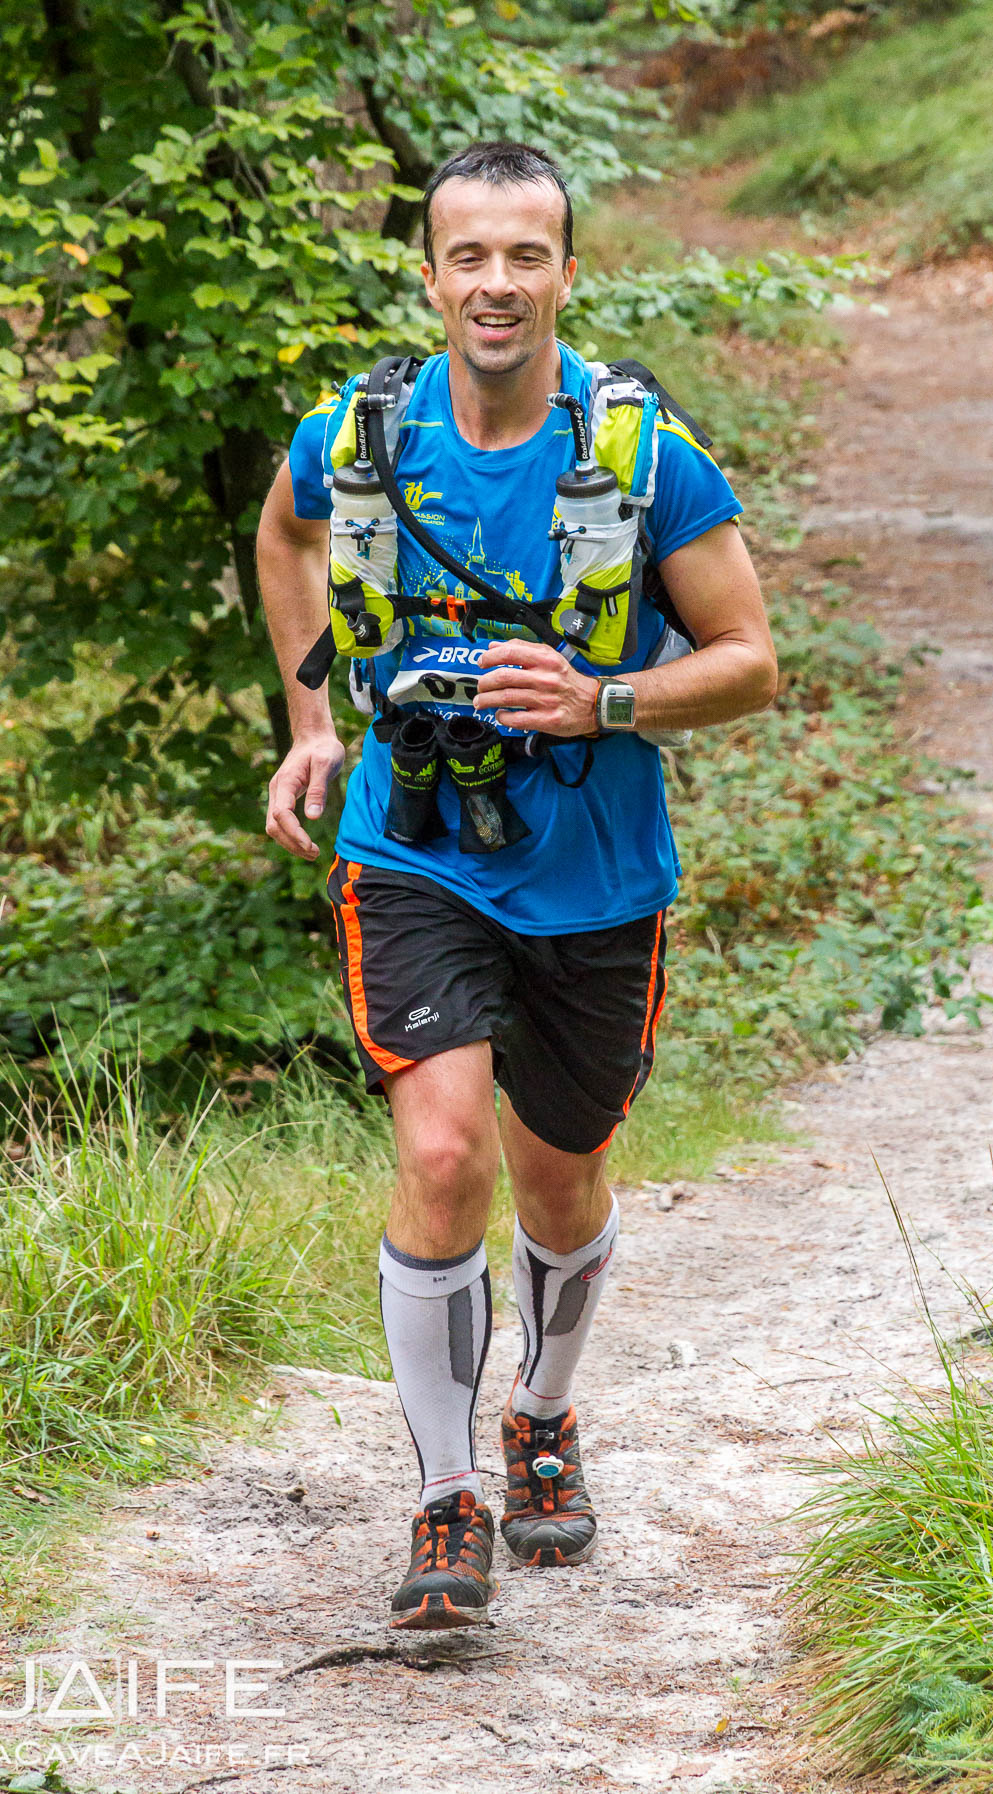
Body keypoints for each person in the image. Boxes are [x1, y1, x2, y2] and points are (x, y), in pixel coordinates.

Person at [256, 139, 776, 1630]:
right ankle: (441, 1500)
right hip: (408, 844)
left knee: (559, 1179)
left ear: (566, 272)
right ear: (428, 276)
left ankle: (541, 1413)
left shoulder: (641, 459)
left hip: (597, 870)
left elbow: (751, 663)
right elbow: (287, 533)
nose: (496, 283)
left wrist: (603, 702)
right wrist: (310, 716)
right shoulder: (356, 438)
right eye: (467, 256)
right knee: (440, 1158)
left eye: (525, 255)